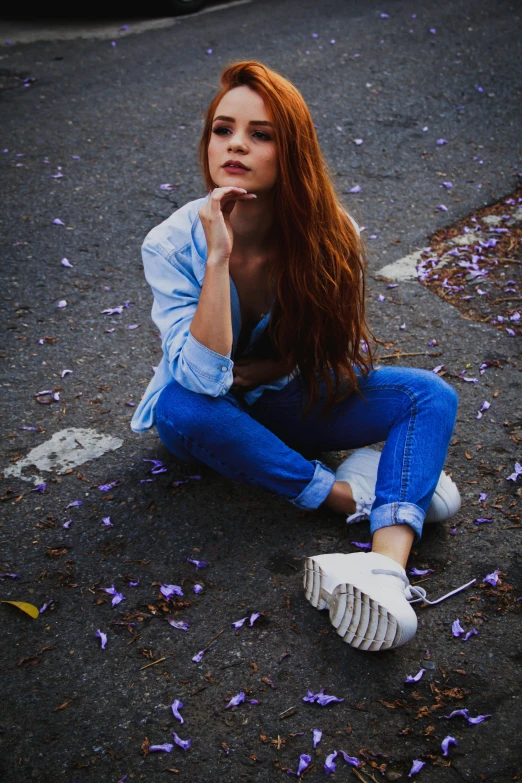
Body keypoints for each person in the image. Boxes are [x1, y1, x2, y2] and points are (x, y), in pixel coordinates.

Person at [130, 61, 462, 652]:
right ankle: (353, 496)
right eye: (222, 129)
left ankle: (383, 570)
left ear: (293, 151)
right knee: (178, 406)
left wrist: (271, 371)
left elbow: (322, 352)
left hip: (278, 401)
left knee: (426, 393)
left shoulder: (331, 231)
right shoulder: (171, 242)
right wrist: (217, 258)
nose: (235, 144)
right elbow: (204, 382)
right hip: (208, 417)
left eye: (261, 134)